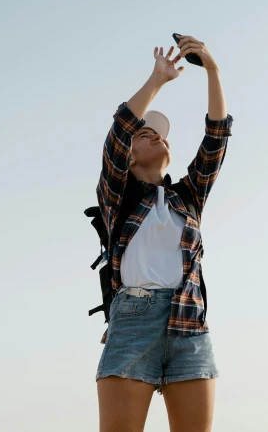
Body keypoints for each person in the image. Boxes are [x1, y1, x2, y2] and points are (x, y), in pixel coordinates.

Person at [95, 35, 233, 432]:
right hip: (134, 321)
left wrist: (212, 69)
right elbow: (119, 133)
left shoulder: (187, 198)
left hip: (189, 324)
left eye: (160, 133)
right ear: (130, 156)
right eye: (146, 133)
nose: (155, 134)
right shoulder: (116, 197)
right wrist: (157, 80)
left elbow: (216, 140)